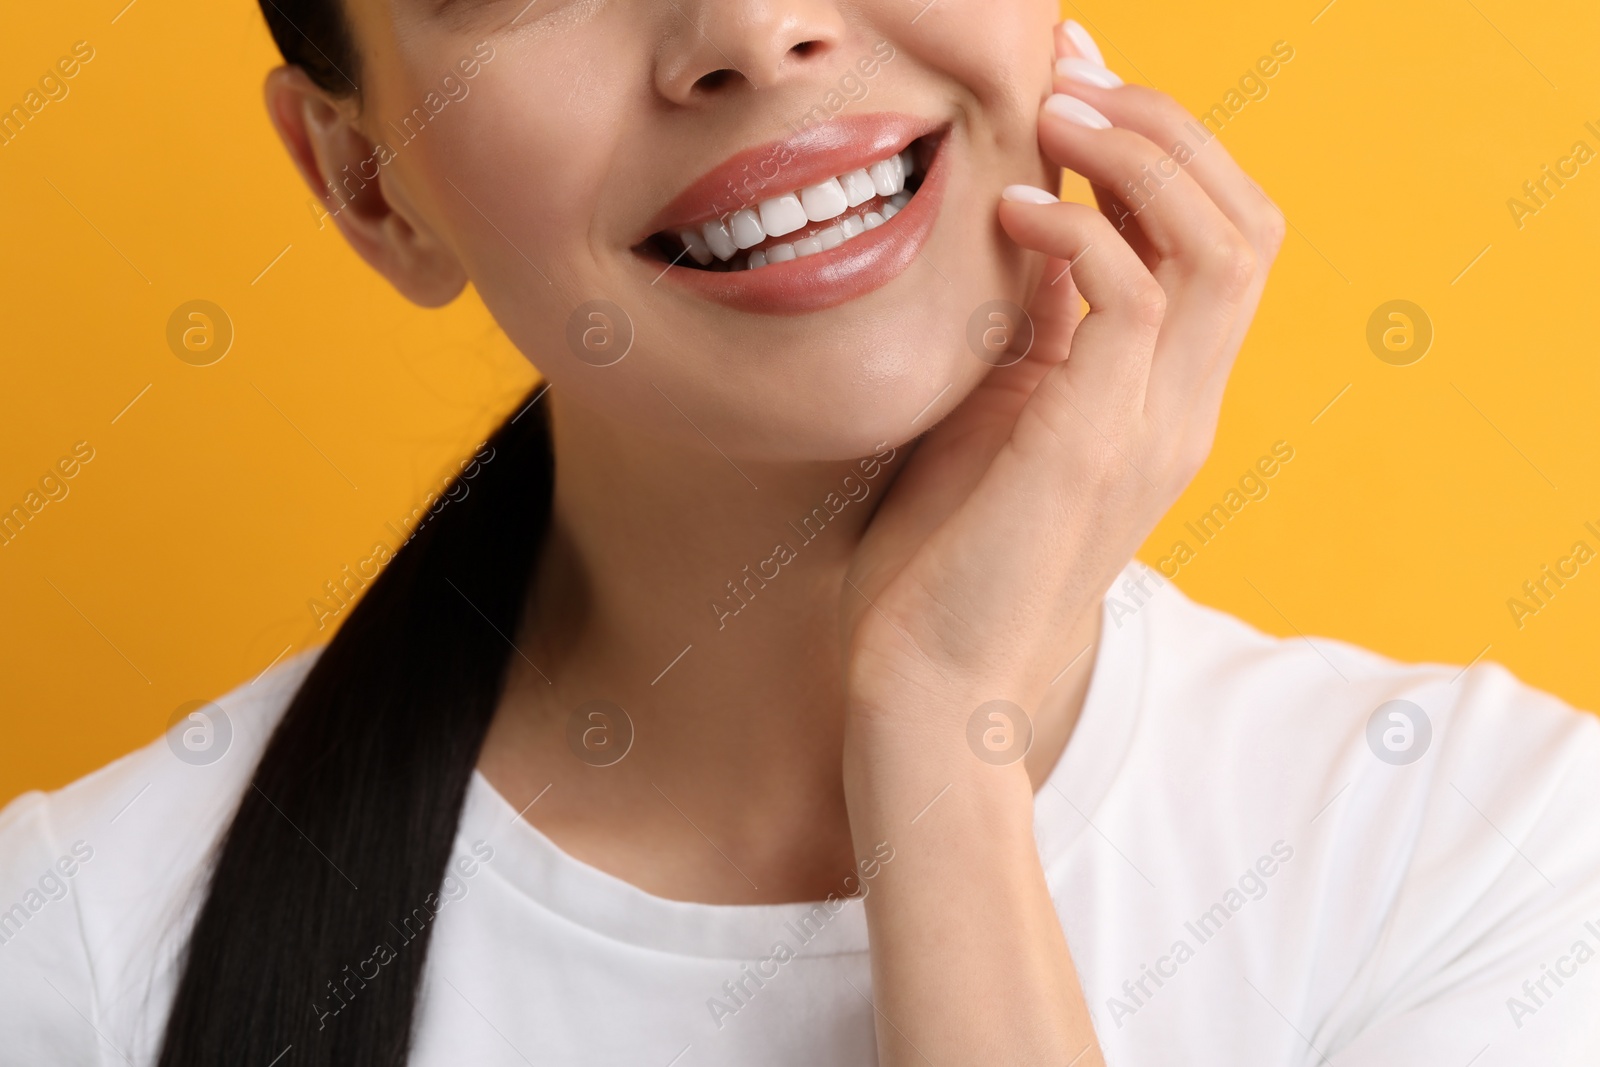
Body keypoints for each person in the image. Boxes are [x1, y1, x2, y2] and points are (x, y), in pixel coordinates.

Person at [2, 2, 1597, 1064]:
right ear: (367, 187)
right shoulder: (74, 955)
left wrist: (938, 752)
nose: (753, 32)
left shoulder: (1481, 856)